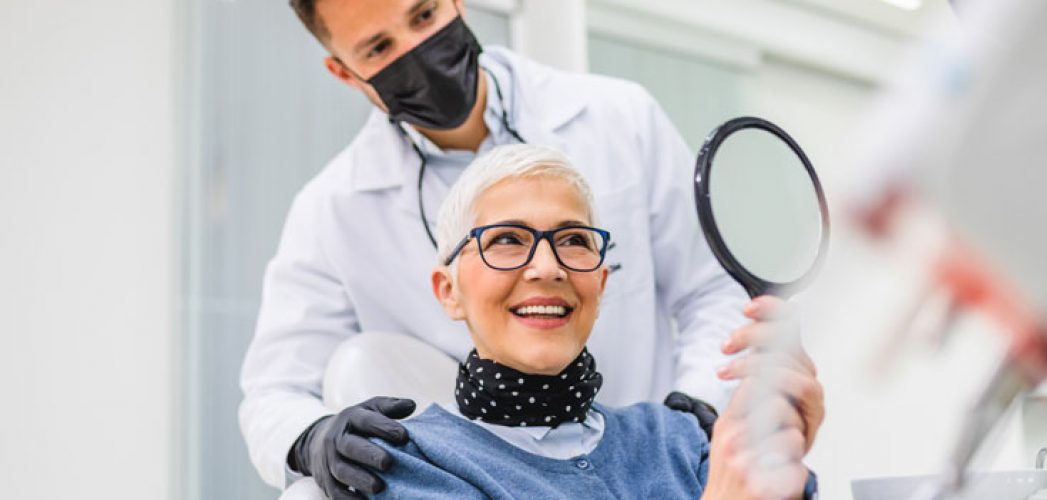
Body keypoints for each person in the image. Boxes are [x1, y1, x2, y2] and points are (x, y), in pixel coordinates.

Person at [239, 0, 820, 496]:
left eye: (423, 14)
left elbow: (709, 289)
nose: (545, 269)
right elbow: (274, 388)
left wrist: (697, 413)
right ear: (344, 72)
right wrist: (310, 436)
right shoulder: (334, 210)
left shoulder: (619, 119)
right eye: (378, 47)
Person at [338, 144, 821, 499]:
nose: (548, 267)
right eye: (507, 239)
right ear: (450, 291)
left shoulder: (680, 440)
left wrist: (778, 448)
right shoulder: (409, 466)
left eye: (574, 241)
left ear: (602, 283)